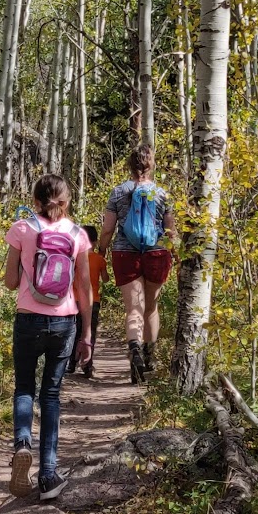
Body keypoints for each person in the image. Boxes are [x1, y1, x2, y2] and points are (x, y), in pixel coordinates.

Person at [4, 173, 92, 501]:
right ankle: (48, 476)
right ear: (67, 202)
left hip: (28, 319)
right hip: (65, 321)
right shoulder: (78, 235)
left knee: (25, 388)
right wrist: (87, 333)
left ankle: (22, 443)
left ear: (36, 200)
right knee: (51, 396)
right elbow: (83, 286)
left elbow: (11, 281)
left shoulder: (22, 229)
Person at [98, 143, 176, 384]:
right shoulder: (162, 194)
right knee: (150, 308)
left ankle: (134, 354)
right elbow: (171, 231)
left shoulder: (118, 192)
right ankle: (149, 358)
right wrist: (179, 256)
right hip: (157, 254)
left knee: (134, 310)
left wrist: (101, 251)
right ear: (151, 166)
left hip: (124, 254)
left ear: (129, 166)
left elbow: (108, 228)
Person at [69, 225, 106, 377]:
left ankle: (71, 363)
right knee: (90, 332)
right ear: (95, 242)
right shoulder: (99, 259)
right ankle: (87, 365)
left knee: (74, 332)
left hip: (74, 300)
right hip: (93, 301)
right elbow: (106, 279)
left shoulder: (74, 258)